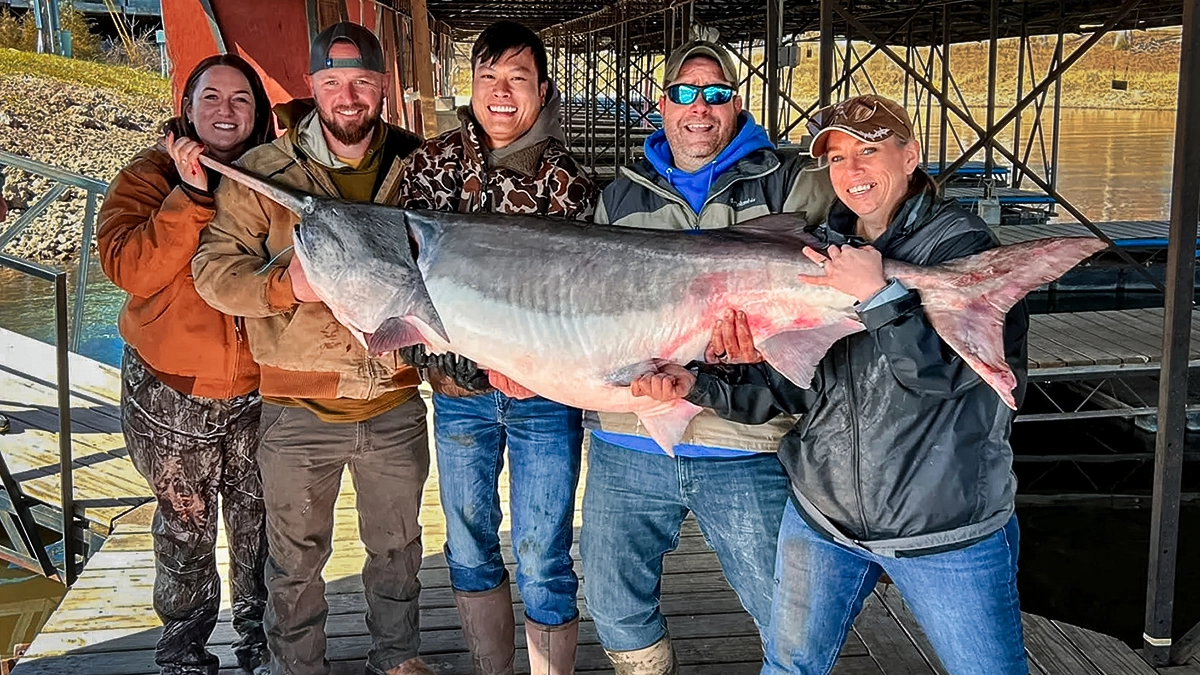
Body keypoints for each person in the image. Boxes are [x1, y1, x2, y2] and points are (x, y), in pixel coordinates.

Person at [630, 94, 1030, 675]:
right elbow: (793, 389)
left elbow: (944, 379)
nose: (854, 171)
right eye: (838, 157)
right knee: (790, 666)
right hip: (823, 511)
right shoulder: (816, 250)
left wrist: (881, 297)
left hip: (943, 524)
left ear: (911, 154)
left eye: (870, 150)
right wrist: (695, 383)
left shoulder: (962, 251)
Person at [581, 40, 834, 675]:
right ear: (661, 105)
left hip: (743, 441)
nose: (701, 108)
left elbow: (849, 263)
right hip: (629, 433)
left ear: (737, 104)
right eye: (686, 93)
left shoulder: (793, 181)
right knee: (611, 604)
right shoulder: (618, 199)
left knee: (786, 611)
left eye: (716, 93)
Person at [191, 23, 432, 675]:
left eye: (360, 82)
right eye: (332, 82)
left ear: (383, 86)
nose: (347, 96)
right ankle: (299, 666)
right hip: (297, 408)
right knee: (293, 561)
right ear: (312, 87)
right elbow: (212, 273)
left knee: (399, 548)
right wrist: (284, 285)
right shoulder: (263, 174)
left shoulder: (422, 166)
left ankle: (397, 656)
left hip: (394, 398)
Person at [393, 20, 596, 675]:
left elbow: (585, 307)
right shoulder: (429, 164)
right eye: (488, 78)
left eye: (517, 79)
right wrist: (472, 363)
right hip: (459, 401)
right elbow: (404, 286)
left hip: (544, 397)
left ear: (542, 89)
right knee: (470, 543)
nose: (501, 93)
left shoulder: (569, 180)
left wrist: (534, 367)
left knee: (543, 550)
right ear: (471, 84)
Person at [97, 53, 275, 675]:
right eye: (211, 98)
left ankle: (262, 645)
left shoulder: (274, 178)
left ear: (258, 112)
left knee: (260, 527)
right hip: (172, 393)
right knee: (185, 530)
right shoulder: (146, 177)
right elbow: (131, 269)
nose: (225, 111)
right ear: (188, 107)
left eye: (240, 99)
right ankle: (184, 651)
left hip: (260, 389)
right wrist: (191, 194)